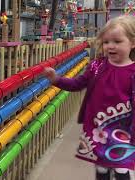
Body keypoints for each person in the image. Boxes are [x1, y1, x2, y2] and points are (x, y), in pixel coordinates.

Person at [44, 15, 135, 180]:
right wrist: (57, 79)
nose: (110, 46)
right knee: (101, 168)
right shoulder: (97, 66)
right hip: (98, 128)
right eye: (106, 42)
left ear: (132, 43)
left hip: (123, 131)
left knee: (122, 169)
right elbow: (78, 84)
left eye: (117, 41)